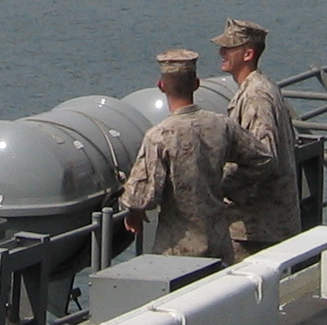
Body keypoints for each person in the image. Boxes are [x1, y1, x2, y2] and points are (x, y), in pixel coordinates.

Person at [119, 50, 275, 260]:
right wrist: (227, 186)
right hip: (219, 243)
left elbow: (140, 197)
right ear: (196, 84)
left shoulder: (159, 136)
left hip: (178, 249)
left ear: (161, 86)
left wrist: (133, 211)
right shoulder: (221, 125)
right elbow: (263, 159)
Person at [212, 19, 301, 254]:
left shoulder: (256, 96)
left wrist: (219, 186)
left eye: (229, 48)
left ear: (248, 54)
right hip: (264, 225)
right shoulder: (259, 88)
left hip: (258, 230)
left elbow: (264, 158)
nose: (221, 53)